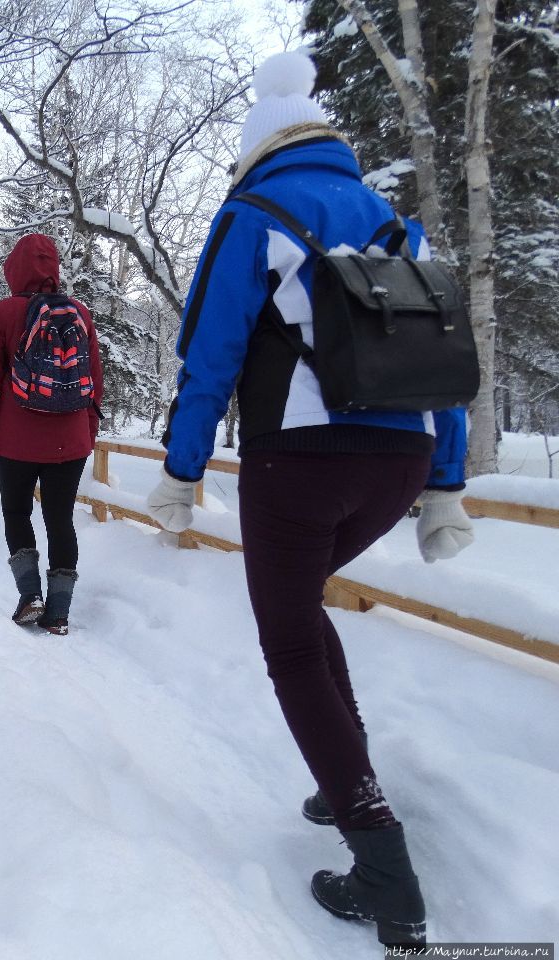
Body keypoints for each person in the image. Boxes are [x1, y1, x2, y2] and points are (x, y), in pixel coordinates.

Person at [146, 51, 474, 948]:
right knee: (304, 615)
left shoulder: (253, 212)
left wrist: (181, 471)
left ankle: (383, 870)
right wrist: (444, 484)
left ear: (256, 151)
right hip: (399, 461)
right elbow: (437, 359)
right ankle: (345, 783)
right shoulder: (398, 229)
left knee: (289, 639)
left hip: (302, 460)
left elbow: (208, 358)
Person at [0, 233, 103, 636]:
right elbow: (95, 383)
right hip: (71, 441)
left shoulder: (4, 313)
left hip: (17, 440)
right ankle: (59, 612)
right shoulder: (79, 312)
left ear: (14, 270)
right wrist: (88, 433)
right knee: (60, 518)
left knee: (17, 513)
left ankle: (30, 595)